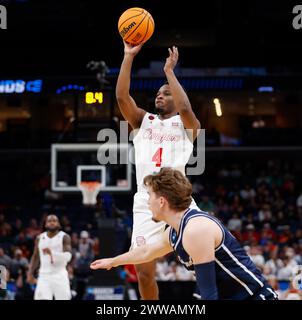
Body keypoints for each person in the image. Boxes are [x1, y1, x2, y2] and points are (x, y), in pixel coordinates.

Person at [91, 168, 278, 300]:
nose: (147, 202)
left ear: (162, 201)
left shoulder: (195, 229)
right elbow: (146, 252)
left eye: (150, 196)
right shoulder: (175, 231)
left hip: (254, 296)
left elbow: (209, 293)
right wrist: (112, 261)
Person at [115, 41, 201, 299]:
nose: (159, 95)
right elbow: (121, 97)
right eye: (158, 93)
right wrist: (128, 56)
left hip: (179, 200)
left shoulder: (188, 124)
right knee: (143, 272)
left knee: (208, 255)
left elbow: (185, 108)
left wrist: (169, 73)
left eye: (166, 93)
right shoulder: (143, 120)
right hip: (146, 201)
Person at [27, 215, 72, 300]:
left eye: (54, 221)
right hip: (44, 276)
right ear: (45, 224)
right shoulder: (39, 238)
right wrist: (30, 272)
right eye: (49, 221)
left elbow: (68, 257)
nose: (52, 222)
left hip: (60, 275)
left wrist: (52, 253)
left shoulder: (64, 237)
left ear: (58, 224)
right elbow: (35, 257)